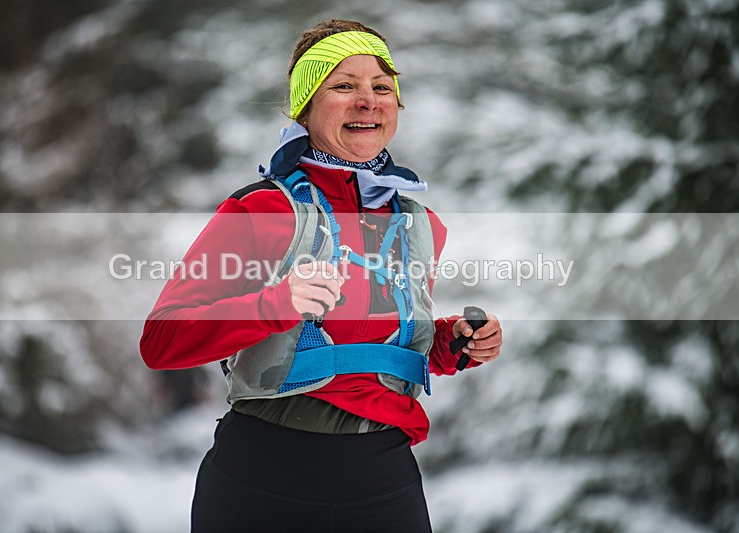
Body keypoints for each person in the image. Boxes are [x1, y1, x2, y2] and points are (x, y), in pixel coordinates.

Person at [140, 18, 502, 532]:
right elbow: (161, 341)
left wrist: (452, 344)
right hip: (263, 479)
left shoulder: (417, 224)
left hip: (385, 483)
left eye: (382, 87)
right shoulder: (261, 210)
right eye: (343, 87)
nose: (368, 100)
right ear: (305, 107)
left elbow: (385, 342)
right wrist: (274, 305)